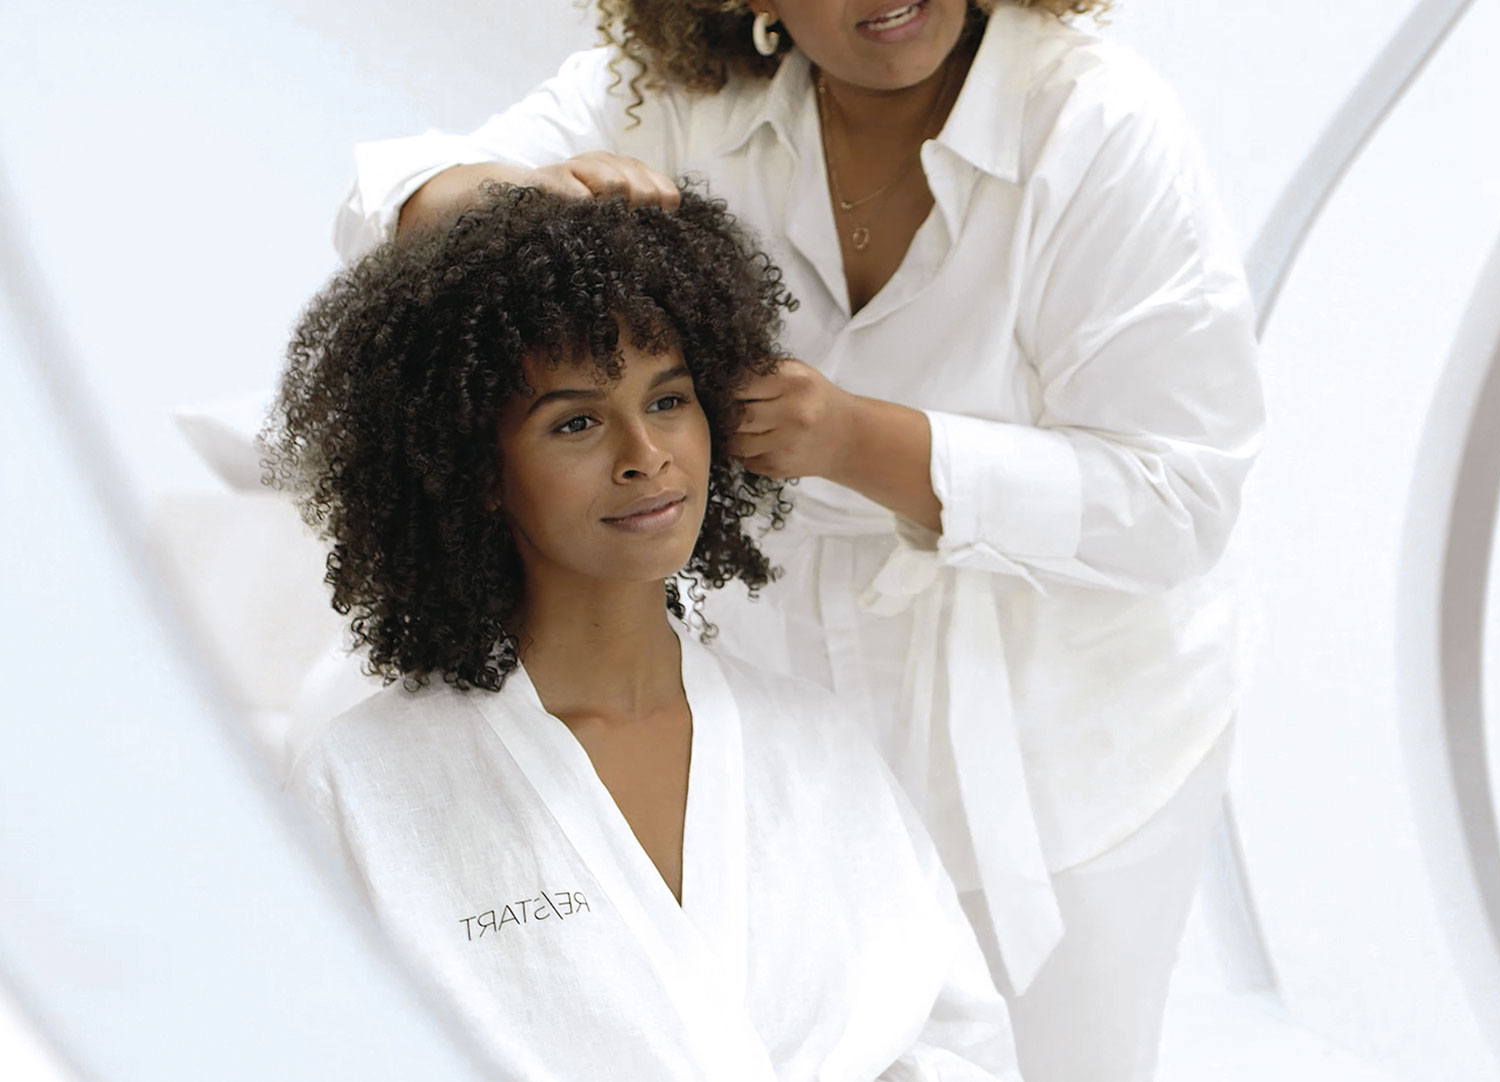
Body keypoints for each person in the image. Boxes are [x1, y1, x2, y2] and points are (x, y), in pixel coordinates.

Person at [332, 2, 1265, 1078]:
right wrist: (500, 196)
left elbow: (1178, 495)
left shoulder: (1095, 126)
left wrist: (858, 439)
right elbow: (390, 202)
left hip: (1063, 724)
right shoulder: (674, 98)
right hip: (790, 692)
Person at [267, 186, 1019, 1080]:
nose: (645, 454)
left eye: (669, 401)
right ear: (477, 472)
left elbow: (956, 1040)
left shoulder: (815, 744)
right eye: (576, 422)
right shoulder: (367, 785)